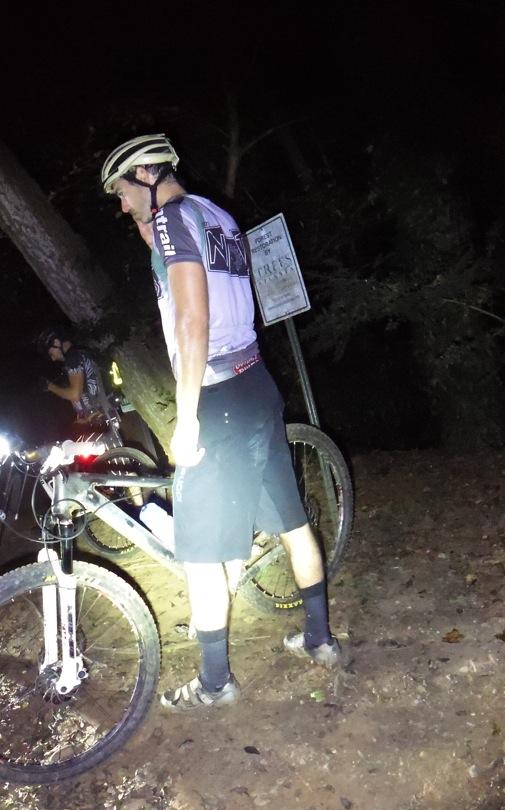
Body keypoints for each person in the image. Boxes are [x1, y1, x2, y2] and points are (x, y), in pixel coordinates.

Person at [100, 134, 344, 711]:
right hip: (255, 383)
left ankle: (215, 683)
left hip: (217, 399)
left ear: (143, 175)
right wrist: (154, 236)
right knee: (293, 524)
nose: (122, 205)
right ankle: (319, 640)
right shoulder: (215, 215)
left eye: (122, 191)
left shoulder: (173, 221)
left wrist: (186, 418)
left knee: (201, 554)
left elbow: (193, 320)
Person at [38, 329, 115, 429]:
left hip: (105, 414)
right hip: (104, 413)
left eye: (51, 354)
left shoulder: (73, 358)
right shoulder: (80, 354)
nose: (53, 358)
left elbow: (74, 395)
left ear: (56, 343)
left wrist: (49, 386)